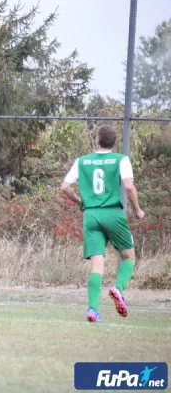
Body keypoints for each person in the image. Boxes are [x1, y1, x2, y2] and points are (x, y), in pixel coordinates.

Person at [60, 124, 145, 323]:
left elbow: (65, 187)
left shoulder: (82, 161)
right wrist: (137, 209)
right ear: (113, 143)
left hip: (90, 216)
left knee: (97, 266)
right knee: (129, 257)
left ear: (96, 140)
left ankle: (92, 309)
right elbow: (129, 186)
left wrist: (80, 202)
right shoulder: (121, 160)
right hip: (113, 213)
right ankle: (118, 288)